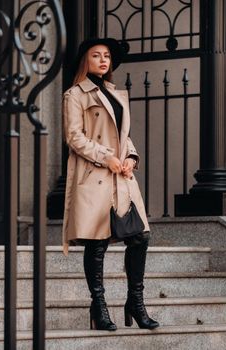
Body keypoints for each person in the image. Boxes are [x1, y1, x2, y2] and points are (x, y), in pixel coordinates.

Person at [61, 38, 159, 331]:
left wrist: (131, 156)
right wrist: (106, 157)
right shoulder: (74, 95)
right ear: (85, 60)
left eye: (106, 56)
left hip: (122, 176)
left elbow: (122, 134)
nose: (104, 60)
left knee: (140, 236)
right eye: (96, 55)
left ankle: (135, 302)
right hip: (95, 176)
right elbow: (74, 137)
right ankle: (99, 307)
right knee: (97, 243)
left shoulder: (115, 93)